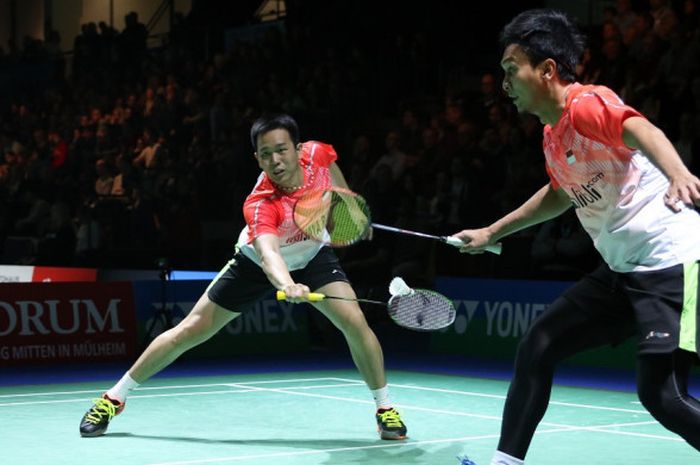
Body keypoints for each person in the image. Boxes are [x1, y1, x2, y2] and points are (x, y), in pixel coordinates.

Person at [451, 9, 700, 465]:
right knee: (539, 345)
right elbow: (559, 193)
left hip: (670, 263)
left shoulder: (586, 104)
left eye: (512, 71)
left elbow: (639, 127)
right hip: (622, 271)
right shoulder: (552, 134)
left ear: (546, 71)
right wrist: (491, 231)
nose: (505, 84)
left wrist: (678, 172)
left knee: (662, 395)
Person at [79, 114, 408, 440]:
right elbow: (269, 254)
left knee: (354, 321)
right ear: (257, 158)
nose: (275, 161)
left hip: (312, 255)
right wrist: (286, 284)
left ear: (298, 148)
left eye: (281, 150)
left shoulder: (318, 153)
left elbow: (336, 184)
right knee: (190, 330)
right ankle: (114, 398)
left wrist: (348, 211)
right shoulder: (261, 203)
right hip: (256, 264)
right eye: (265, 155)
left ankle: (385, 409)